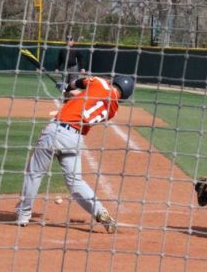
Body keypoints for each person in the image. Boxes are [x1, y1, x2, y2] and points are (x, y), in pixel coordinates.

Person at [16, 75, 135, 233]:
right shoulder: (112, 110)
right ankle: (99, 211)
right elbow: (86, 103)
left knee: (35, 173)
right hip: (74, 139)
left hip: (56, 131)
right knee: (75, 181)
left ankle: (23, 215)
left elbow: (79, 81)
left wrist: (68, 87)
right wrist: (72, 94)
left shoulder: (100, 83)